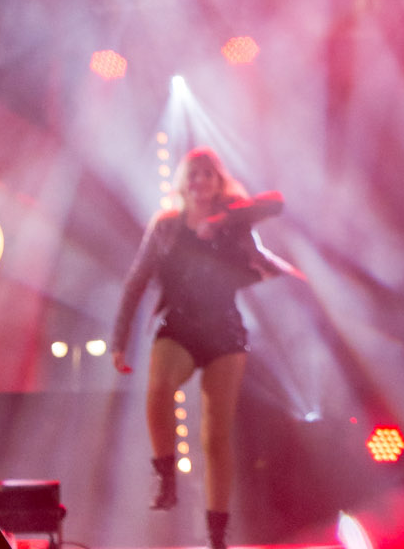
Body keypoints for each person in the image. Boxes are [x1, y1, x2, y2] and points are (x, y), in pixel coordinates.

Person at [111, 146, 293, 549]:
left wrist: (227, 222)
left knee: (215, 435)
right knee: (158, 392)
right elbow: (135, 282)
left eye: (207, 175)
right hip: (179, 326)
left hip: (224, 331)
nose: (199, 182)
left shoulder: (234, 225)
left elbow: (275, 206)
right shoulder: (165, 226)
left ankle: (216, 535)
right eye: (192, 175)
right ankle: (167, 477)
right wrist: (118, 341)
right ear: (183, 182)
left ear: (217, 181)